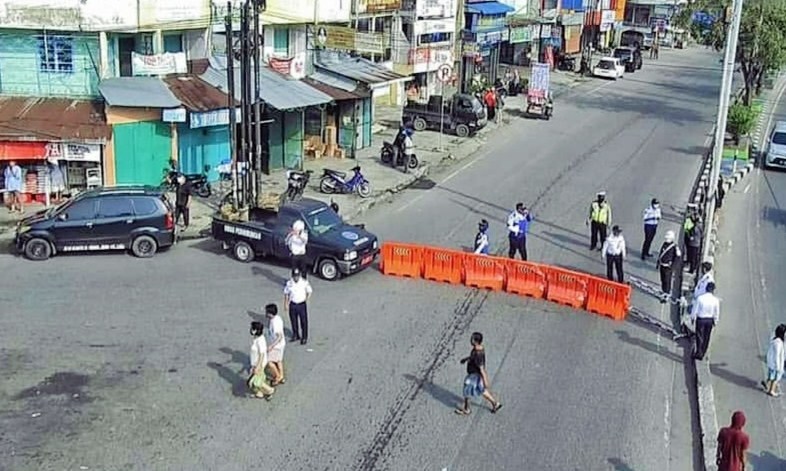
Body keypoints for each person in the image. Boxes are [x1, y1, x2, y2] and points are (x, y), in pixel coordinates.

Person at [454, 332, 502, 416]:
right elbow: (473, 357)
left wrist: (486, 380)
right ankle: (495, 403)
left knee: (466, 391)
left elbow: (482, 368)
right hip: (475, 375)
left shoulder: (478, 354)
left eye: (472, 339)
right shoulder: (477, 349)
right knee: (481, 390)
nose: (470, 340)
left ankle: (466, 409)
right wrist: (466, 359)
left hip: (474, 376)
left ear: (476, 341)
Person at [691, 281, 719, 360]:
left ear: (706, 289)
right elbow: (716, 312)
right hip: (710, 320)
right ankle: (703, 352)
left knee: (699, 336)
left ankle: (699, 352)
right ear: (713, 290)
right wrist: (715, 321)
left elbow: (695, 309)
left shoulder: (700, 298)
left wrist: (693, 318)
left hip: (701, 319)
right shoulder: (715, 300)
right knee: (707, 337)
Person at [283, 268, 312, 345]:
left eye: (297, 276)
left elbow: (309, 291)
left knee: (304, 321)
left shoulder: (304, 282)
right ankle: (295, 335)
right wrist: (286, 304)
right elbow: (286, 293)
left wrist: (306, 299)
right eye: (294, 276)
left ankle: (304, 337)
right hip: (292, 304)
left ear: (299, 275)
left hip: (301, 304)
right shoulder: (289, 283)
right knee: (293, 320)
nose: (296, 277)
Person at [248, 321, 275, 400]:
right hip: (256, 363)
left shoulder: (260, 341)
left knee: (256, 381)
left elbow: (262, 354)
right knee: (258, 378)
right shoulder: (257, 338)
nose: (250, 330)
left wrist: (258, 367)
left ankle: (270, 390)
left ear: (255, 330)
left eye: (252, 328)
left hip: (259, 364)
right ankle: (259, 393)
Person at [265, 303, 286, 386]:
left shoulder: (275, 323)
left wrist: (271, 346)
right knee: (278, 361)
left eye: (266, 312)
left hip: (277, 346)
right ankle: (281, 376)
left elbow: (279, 336)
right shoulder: (277, 318)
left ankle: (277, 376)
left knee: (269, 362)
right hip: (281, 345)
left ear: (270, 313)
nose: (265, 314)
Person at [656, 230, 681, 301]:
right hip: (662, 266)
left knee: (667, 281)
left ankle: (666, 295)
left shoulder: (674, 247)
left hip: (668, 268)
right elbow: (661, 254)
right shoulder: (664, 244)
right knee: (663, 280)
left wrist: (673, 267)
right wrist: (658, 263)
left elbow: (678, 258)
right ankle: (664, 291)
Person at [762, 324, 786, 397]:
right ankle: (771, 391)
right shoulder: (778, 343)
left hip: (772, 363)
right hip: (775, 364)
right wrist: (778, 367)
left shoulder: (775, 339)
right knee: (776, 378)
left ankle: (767, 383)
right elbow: (777, 356)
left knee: (771, 376)